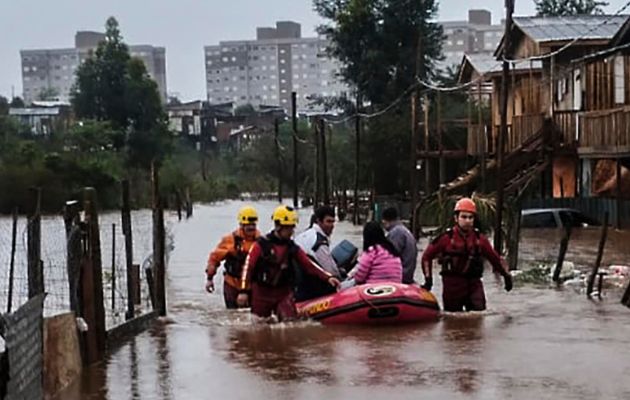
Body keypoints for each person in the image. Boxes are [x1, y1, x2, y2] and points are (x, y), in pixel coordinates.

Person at [236, 205, 341, 320]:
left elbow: (309, 265)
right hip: (262, 293)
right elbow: (248, 267)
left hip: (283, 292)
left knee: (289, 322)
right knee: (259, 325)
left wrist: (328, 277)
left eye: (292, 227)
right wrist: (243, 291)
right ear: (278, 227)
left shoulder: (292, 247)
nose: (291, 231)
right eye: (288, 228)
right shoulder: (261, 245)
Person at [420, 197, 513, 312]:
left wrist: (506, 276)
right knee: (452, 321)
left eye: (471, 217)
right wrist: (428, 280)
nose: (468, 220)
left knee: (478, 316)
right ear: (456, 218)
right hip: (452, 286)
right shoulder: (445, 239)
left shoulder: (480, 240)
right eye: (464, 217)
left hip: (474, 285)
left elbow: (495, 259)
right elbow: (426, 257)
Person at [205, 206, 261, 308]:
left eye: (253, 224)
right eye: (248, 225)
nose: (251, 228)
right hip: (232, 284)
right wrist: (210, 278)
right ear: (241, 225)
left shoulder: (261, 242)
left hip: (252, 285)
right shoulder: (230, 240)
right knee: (233, 314)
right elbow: (214, 258)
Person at [294, 205, 341, 301]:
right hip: (310, 289)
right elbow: (331, 271)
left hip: (298, 285)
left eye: (333, 222)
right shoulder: (319, 243)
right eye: (328, 221)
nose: (332, 225)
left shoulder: (305, 234)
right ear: (319, 221)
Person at [351, 221, 403, 285]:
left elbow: (359, 277)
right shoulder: (393, 251)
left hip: (373, 289)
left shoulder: (371, 252)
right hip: (395, 288)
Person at [381, 207, 418, 284]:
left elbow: (388, 256)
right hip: (407, 273)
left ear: (385, 221)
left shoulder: (396, 233)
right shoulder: (403, 230)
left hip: (401, 275)